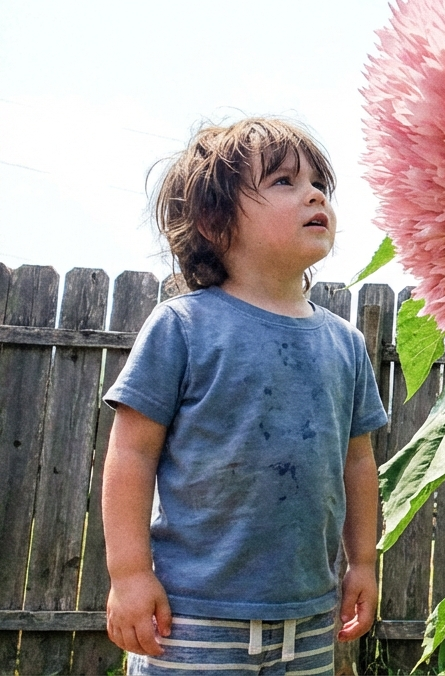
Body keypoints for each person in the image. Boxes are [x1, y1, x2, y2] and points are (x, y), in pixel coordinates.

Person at [101, 118, 389, 675]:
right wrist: (130, 574)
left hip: (309, 618)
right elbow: (131, 453)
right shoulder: (183, 327)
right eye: (284, 181)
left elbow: (358, 463)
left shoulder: (346, 343)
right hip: (191, 618)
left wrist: (362, 563)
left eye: (319, 185)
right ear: (215, 222)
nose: (314, 195)